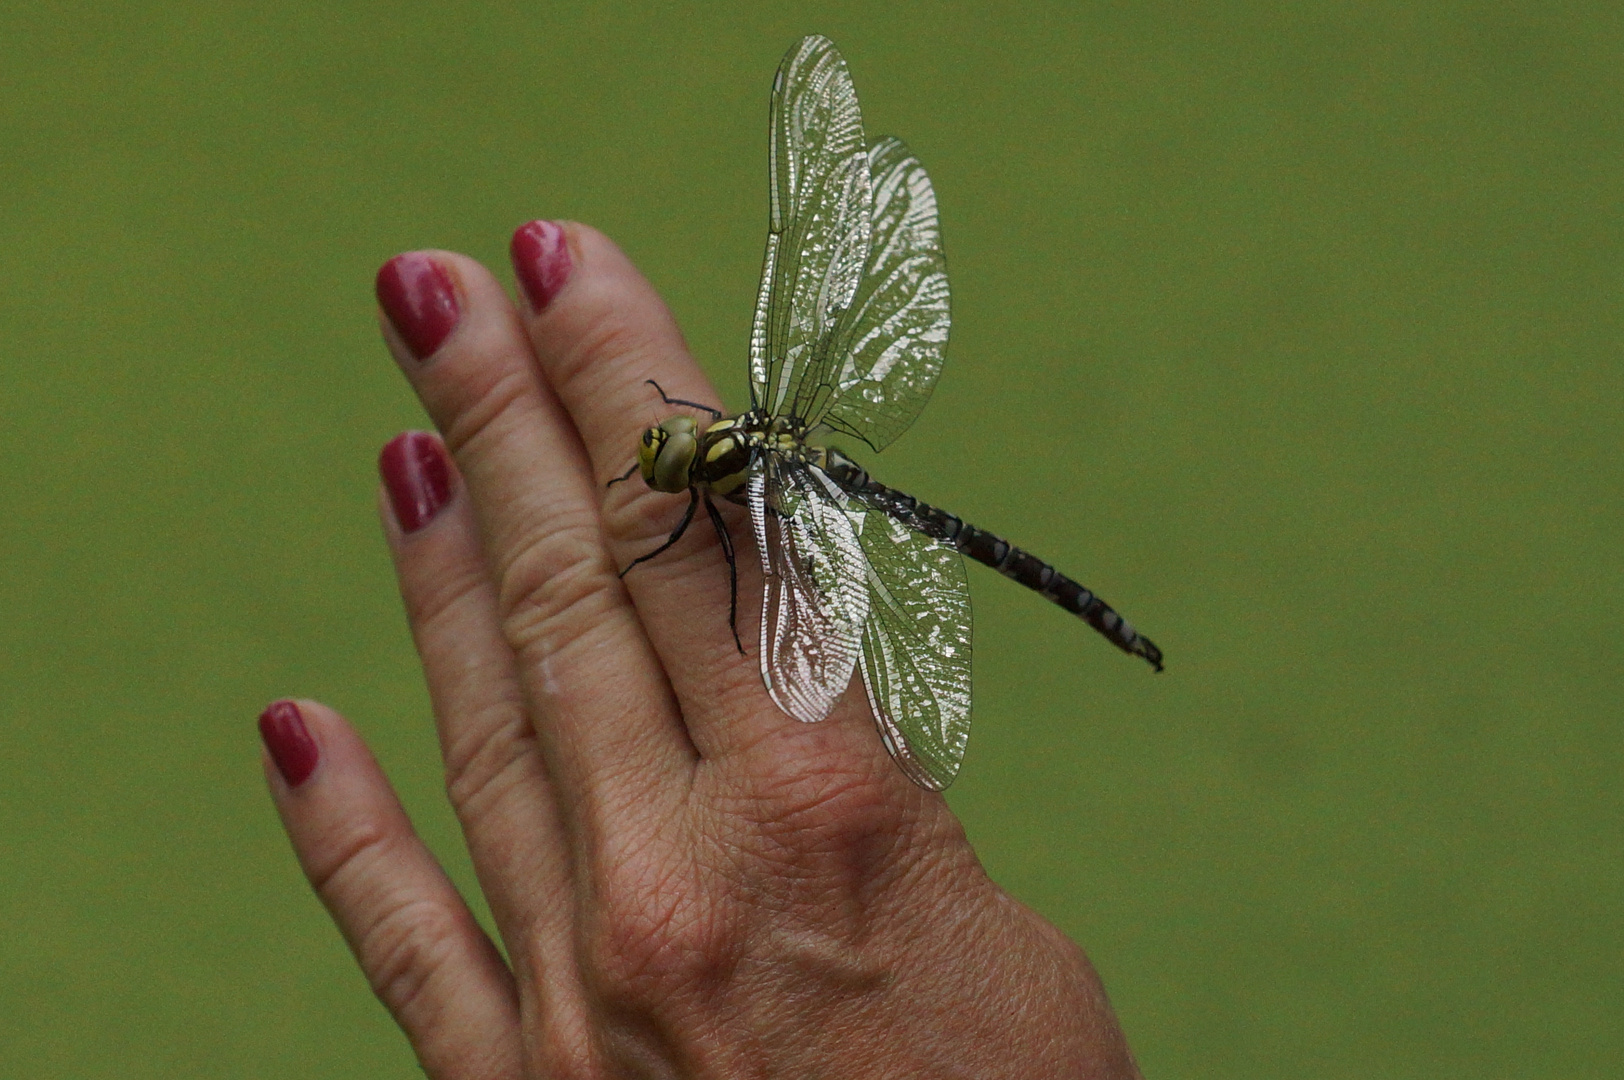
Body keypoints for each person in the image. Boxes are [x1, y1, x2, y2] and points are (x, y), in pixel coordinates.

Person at [255, 220, 1142, 1078]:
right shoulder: (715, 454)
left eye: (668, 456)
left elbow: (722, 556)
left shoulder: (734, 504)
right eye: (664, 448)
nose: (658, 460)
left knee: (734, 596)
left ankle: (1104, 617)